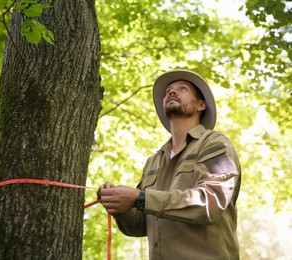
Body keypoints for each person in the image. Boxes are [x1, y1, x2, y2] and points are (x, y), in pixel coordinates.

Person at [98, 69, 241, 259]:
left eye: (182, 89)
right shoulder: (154, 161)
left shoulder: (215, 143)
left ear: (201, 105)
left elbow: (209, 204)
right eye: (168, 91)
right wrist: (119, 207)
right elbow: (141, 226)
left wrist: (139, 198)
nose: (172, 92)